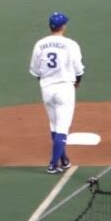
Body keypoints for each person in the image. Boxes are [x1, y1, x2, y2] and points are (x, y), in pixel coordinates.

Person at [29, 12, 84, 175]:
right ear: (63, 26)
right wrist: (78, 81)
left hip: (46, 89)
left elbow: (35, 70)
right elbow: (78, 68)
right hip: (65, 88)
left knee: (54, 125)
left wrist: (45, 81)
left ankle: (64, 160)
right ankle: (53, 165)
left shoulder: (40, 44)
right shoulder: (71, 44)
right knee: (62, 128)